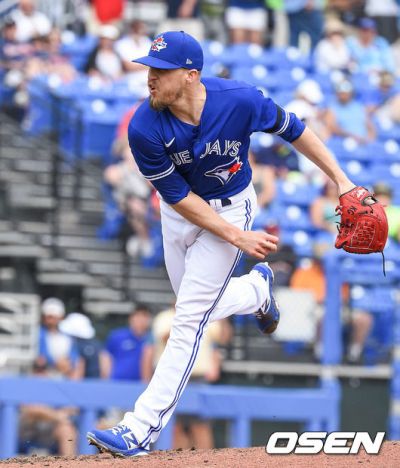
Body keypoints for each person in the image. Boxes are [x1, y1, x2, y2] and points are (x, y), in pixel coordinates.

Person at [87, 30, 355, 456]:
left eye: (161, 71)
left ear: (191, 75)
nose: (150, 78)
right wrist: (237, 238)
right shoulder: (143, 126)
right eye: (149, 68)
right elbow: (179, 198)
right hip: (180, 214)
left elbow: (294, 129)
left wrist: (341, 180)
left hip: (231, 206)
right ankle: (255, 291)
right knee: (193, 305)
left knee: (189, 318)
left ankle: (139, 428)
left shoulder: (238, 99)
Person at [104, 305, 154, 382]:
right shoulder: (117, 336)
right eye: (138, 316)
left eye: (144, 316)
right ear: (131, 318)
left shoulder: (151, 340)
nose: (141, 320)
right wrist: (107, 380)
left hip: (140, 385)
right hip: (116, 383)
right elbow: (105, 357)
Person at [324, 79, 376, 144]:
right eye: (341, 93)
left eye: (345, 93)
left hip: (363, 142)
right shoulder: (332, 107)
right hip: (344, 142)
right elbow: (332, 127)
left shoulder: (359, 107)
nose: (343, 95)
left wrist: (369, 139)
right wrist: (351, 136)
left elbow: (370, 126)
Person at [38, 298, 79, 378]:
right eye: (48, 316)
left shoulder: (68, 336)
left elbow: (74, 356)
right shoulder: (38, 333)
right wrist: (55, 363)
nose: (49, 320)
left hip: (65, 376)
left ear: (60, 317)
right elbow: (41, 355)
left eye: (52, 317)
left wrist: (67, 363)